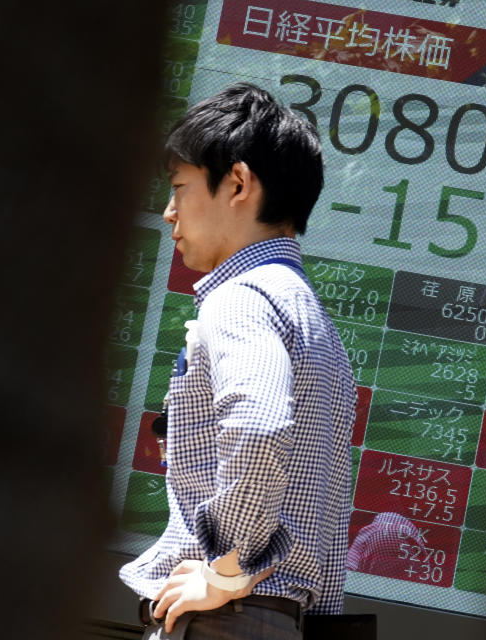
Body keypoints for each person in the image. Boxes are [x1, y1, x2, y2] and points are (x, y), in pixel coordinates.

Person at [119, 83, 357, 639]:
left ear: (239, 183)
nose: (169, 211)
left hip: (223, 620)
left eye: (180, 187)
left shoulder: (241, 298)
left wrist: (230, 568)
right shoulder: (309, 316)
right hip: (279, 619)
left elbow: (255, 423)